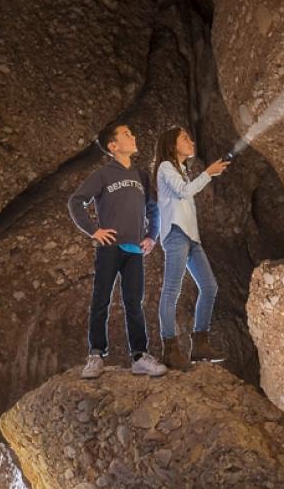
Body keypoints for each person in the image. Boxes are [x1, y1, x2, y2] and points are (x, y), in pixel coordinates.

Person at [68, 122, 167, 379]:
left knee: (134, 303)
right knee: (101, 300)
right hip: (109, 248)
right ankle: (96, 355)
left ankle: (139, 357)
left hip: (134, 249)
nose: (133, 136)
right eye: (127, 134)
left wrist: (151, 236)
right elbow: (76, 201)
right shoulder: (103, 175)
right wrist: (94, 230)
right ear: (113, 146)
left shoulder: (141, 176)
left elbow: (153, 208)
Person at [153, 126, 229, 371]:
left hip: (191, 237)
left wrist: (208, 173)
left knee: (209, 287)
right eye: (185, 138)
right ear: (172, 146)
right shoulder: (166, 167)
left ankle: (200, 344)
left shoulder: (182, 169)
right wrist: (208, 173)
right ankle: (170, 348)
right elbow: (184, 192)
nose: (191, 141)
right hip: (176, 234)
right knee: (171, 290)